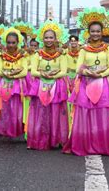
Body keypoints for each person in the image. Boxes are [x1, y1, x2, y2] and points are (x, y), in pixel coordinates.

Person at [63, 7, 109, 156]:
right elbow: (79, 68)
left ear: (102, 32)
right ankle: (85, 142)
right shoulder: (83, 49)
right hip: (86, 82)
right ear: (88, 32)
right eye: (92, 31)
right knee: (86, 112)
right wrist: (89, 72)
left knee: (104, 112)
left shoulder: (107, 48)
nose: (95, 34)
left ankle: (104, 142)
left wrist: (100, 74)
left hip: (105, 82)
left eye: (98, 31)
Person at [28, 21, 69, 150]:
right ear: (42, 39)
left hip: (57, 86)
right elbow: (33, 71)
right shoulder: (37, 54)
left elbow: (64, 71)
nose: (49, 40)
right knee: (40, 112)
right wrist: (44, 74)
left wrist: (52, 75)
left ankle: (58, 139)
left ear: (56, 39)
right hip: (40, 85)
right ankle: (38, 139)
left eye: (51, 37)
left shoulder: (61, 55)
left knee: (56, 112)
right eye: (46, 37)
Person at [0, 27, 28, 143]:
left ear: (17, 43)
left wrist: (11, 75)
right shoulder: (1, 56)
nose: (11, 45)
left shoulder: (22, 56)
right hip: (3, 85)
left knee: (18, 110)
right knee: (0, 108)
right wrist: (14, 72)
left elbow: (24, 72)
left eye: (13, 42)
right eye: (8, 42)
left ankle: (25, 134)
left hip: (18, 86)